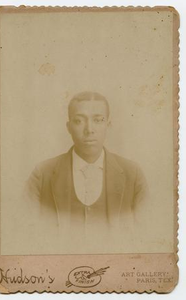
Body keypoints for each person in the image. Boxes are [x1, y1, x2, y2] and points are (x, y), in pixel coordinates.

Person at [25, 91, 148, 249]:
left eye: (98, 120)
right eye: (79, 121)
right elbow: (26, 234)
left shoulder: (133, 173)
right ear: (69, 127)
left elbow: (146, 236)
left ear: (108, 125)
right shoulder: (42, 174)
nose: (89, 129)